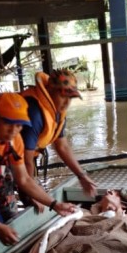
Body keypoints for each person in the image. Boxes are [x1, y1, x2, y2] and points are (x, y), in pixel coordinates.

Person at [0, 92, 77, 248]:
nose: (13, 130)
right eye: (7, 122)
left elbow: (23, 179)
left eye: (19, 125)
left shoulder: (15, 139)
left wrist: (55, 204)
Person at [19, 69, 98, 198]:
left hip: (27, 159)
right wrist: (32, 195)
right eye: (63, 96)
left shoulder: (57, 112)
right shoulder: (34, 113)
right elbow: (25, 159)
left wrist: (82, 176)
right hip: (5, 160)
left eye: (70, 98)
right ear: (49, 91)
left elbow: (62, 146)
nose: (67, 102)